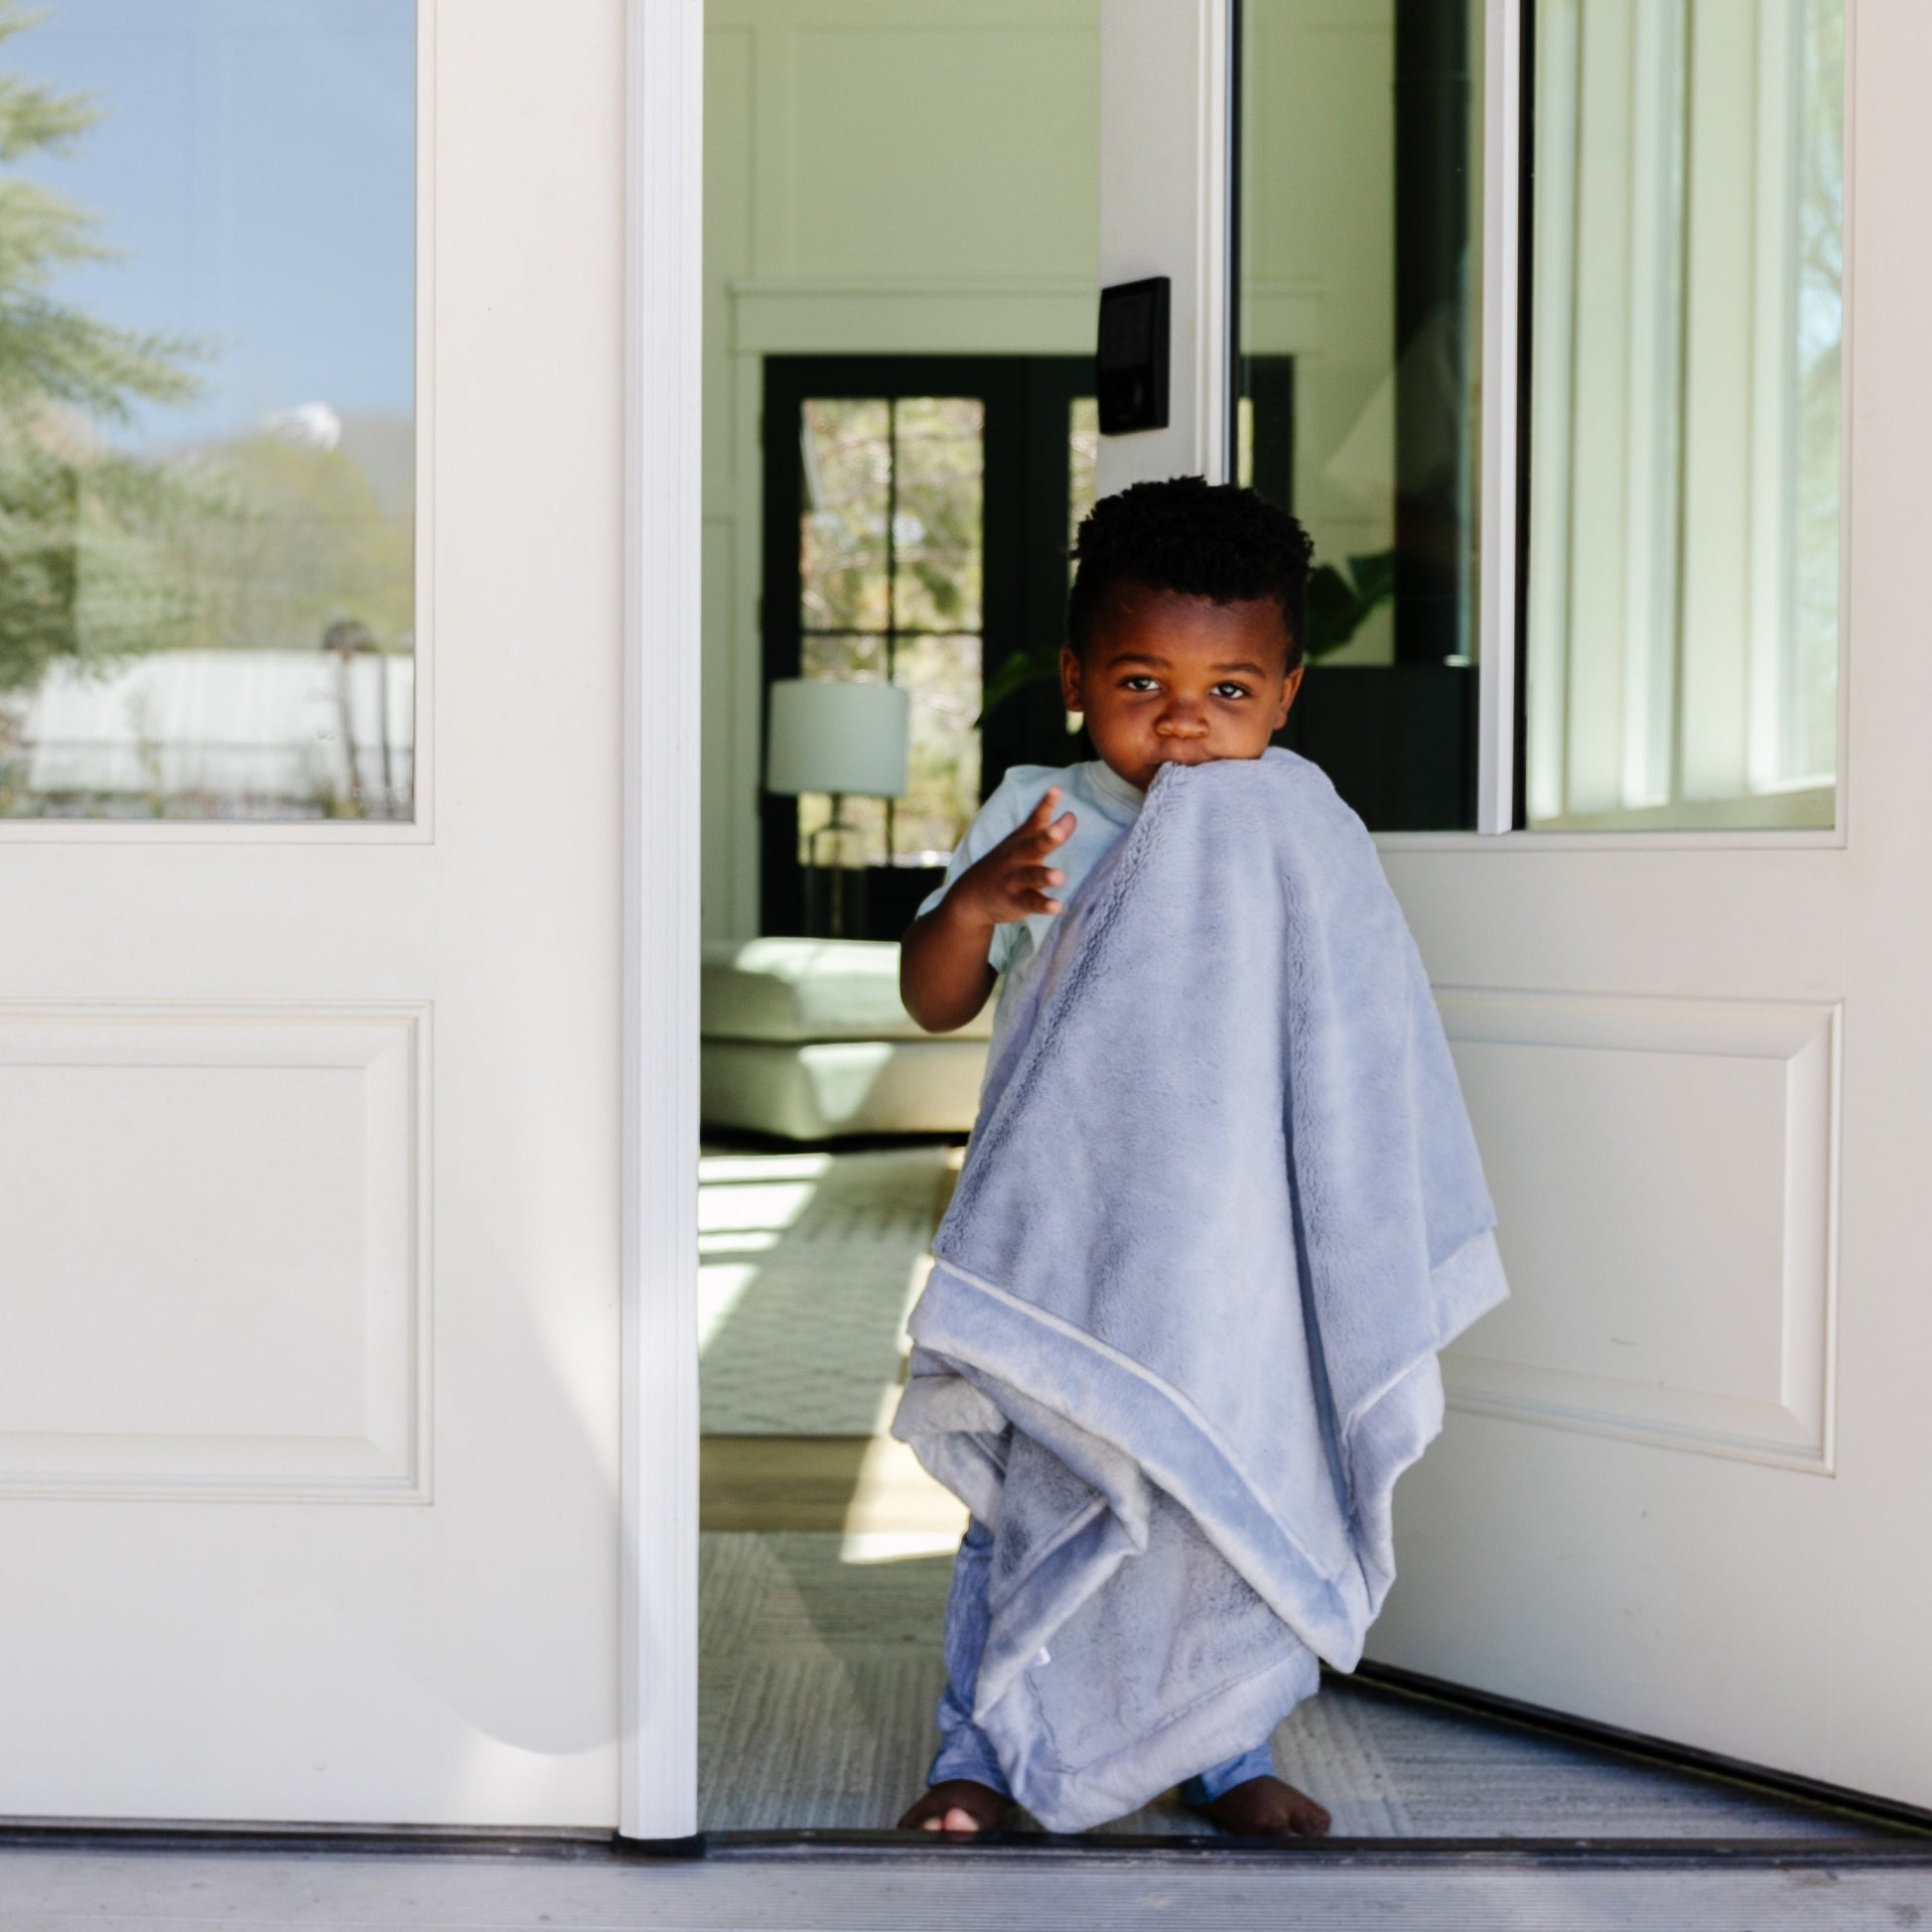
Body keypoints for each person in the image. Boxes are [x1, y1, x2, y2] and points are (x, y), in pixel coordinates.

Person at [895, 475, 1334, 1840]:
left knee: (1213, 1491)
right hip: (1059, 1237)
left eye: (1230, 688)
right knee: (1032, 1495)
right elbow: (931, 999)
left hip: (1217, 1242)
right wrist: (974, 903)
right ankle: (979, 1748)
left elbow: (1337, 1029)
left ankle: (1221, 1744)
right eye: (1144, 679)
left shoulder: (1291, 829)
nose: (1186, 720)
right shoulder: (1046, 816)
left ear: (1285, 694)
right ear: (1079, 679)